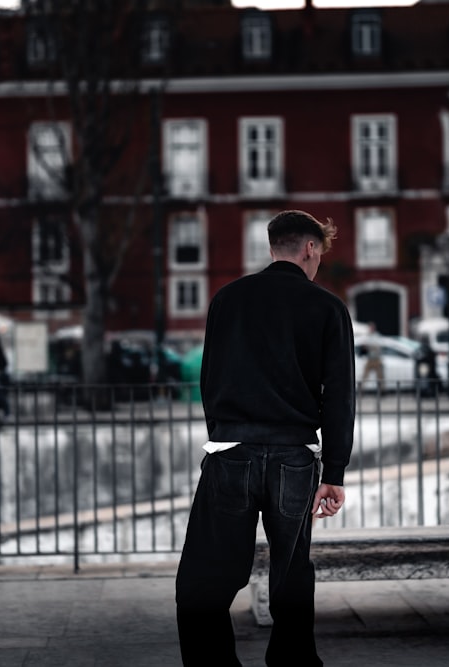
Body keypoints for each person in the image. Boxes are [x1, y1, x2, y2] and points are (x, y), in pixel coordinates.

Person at [175, 210, 355, 667]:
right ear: (310, 248)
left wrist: (226, 436)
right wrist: (333, 472)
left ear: (273, 245)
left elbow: (209, 379)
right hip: (295, 459)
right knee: (291, 575)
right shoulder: (328, 308)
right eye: (319, 254)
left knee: (205, 578)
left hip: (232, 452)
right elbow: (338, 397)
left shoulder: (227, 299)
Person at [361, 322, 385, 389]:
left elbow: (379, 347)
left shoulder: (376, 335)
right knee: (364, 376)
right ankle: (361, 390)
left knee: (380, 376)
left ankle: (382, 390)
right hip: (370, 359)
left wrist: (371, 347)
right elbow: (365, 346)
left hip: (376, 359)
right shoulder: (367, 336)